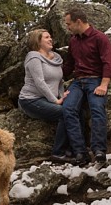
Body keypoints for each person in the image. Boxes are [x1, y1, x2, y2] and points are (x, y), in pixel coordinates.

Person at [61, 8, 111, 165]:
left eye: (69, 24)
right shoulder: (73, 40)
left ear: (78, 22)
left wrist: (104, 85)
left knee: (97, 109)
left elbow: (108, 63)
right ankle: (80, 152)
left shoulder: (100, 38)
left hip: (96, 80)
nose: (67, 27)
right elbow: (69, 65)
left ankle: (99, 150)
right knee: (68, 109)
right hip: (78, 82)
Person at [17, 28, 72, 160]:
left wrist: (61, 96)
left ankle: (72, 148)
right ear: (38, 41)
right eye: (46, 37)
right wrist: (56, 101)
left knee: (72, 110)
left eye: (50, 37)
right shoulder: (33, 57)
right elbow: (39, 82)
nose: (50, 39)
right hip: (30, 100)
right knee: (64, 112)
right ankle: (58, 152)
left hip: (48, 99)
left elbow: (59, 81)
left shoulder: (57, 58)